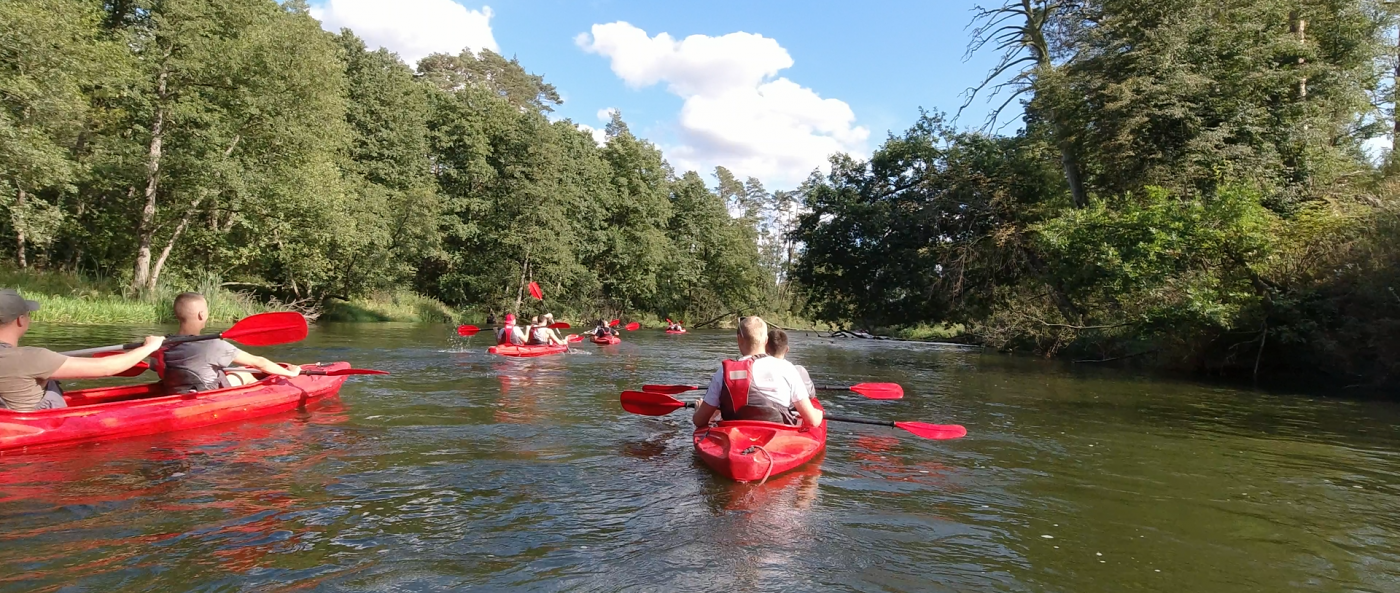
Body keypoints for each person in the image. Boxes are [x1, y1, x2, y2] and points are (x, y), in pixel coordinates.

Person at [0, 289, 165, 411]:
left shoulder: (27, 358)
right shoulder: (31, 358)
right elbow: (106, 368)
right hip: (33, 433)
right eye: (28, 314)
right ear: (21, 320)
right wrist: (150, 346)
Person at [692, 316, 823, 428]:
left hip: (735, 435)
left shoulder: (723, 372)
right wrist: (819, 413)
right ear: (766, 341)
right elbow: (812, 421)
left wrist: (699, 409)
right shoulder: (787, 368)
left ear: (739, 339)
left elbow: (699, 421)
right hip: (779, 437)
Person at [162, 292, 300, 393]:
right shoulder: (212, 345)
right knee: (245, 374)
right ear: (202, 314)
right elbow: (259, 362)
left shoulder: (163, 345)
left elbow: (160, 369)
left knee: (236, 371)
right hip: (208, 394)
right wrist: (292, 374)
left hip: (180, 391)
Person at [766, 327, 815, 398]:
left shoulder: (756, 370)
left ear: (766, 349)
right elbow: (811, 394)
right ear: (787, 349)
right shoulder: (799, 370)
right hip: (793, 406)